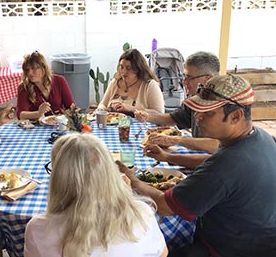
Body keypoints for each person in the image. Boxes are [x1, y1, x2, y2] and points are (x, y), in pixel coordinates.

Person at [118, 74, 276, 257]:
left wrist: (131, 179)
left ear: (235, 116)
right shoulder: (261, 137)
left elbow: (164, 206)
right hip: (262, 240)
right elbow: (210, 161)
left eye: (208, 113)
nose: (198, 117)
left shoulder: (225, 166)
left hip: (229, 249)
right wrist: (168, 156)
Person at [24, 133, 168, 257]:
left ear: (58, 177)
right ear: (111, 172)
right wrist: (127, 197)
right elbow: (162, 253)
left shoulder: (38, 229)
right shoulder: (142, 214)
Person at [135, 52, 220, 169]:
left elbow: (217, 145)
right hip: (198, 162)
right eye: (183, 76)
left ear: (208, 79)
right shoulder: (195, 99)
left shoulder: (223, 105)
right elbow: (172, 119)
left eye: (188, 77)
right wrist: (147, 116)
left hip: (215, 166)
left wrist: (177, 140)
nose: (184, 82)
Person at [97, 48, 164, 115]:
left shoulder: (150, 85)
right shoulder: (115, 83)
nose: (124, 72)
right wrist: (101, 108)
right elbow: (103, 104)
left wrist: (131, 109)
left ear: (138, 69)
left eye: (129, 68)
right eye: (121, 67)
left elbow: (159, 114)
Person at [16, 51, 74, 120]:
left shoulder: (59, 80)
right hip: (35, 126)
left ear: (43, 67)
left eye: (34, 68)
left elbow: (70, 107)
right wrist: (38, 113)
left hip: (58, 123)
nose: (30, 73)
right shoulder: (23, 87)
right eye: (27, 70)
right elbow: (20, 114)